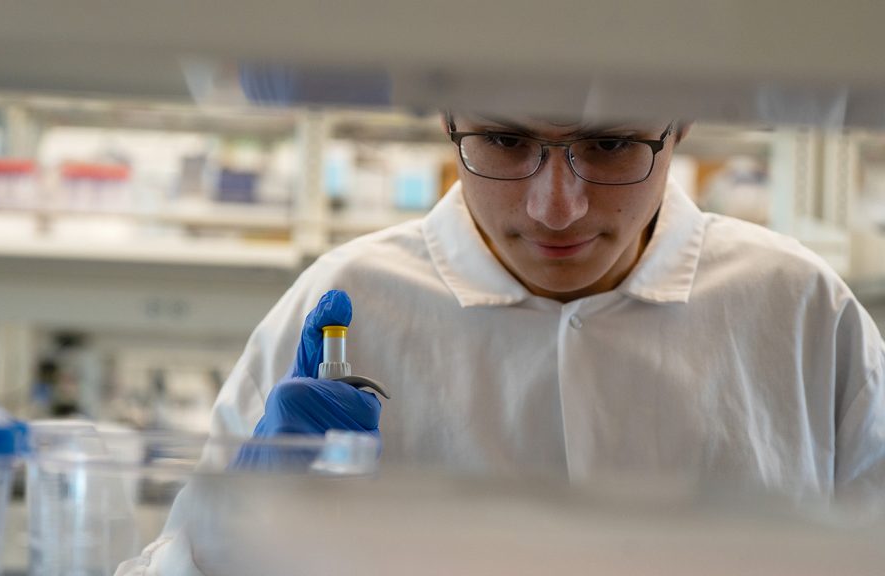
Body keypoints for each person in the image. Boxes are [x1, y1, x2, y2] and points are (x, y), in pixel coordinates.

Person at [118, 111, 885, 573]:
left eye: (612, 145)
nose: (557, 207)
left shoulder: (800, 309)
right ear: (449, 118)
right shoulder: (346, 301)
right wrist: (234, 534)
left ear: (680, 122)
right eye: (506, 141)